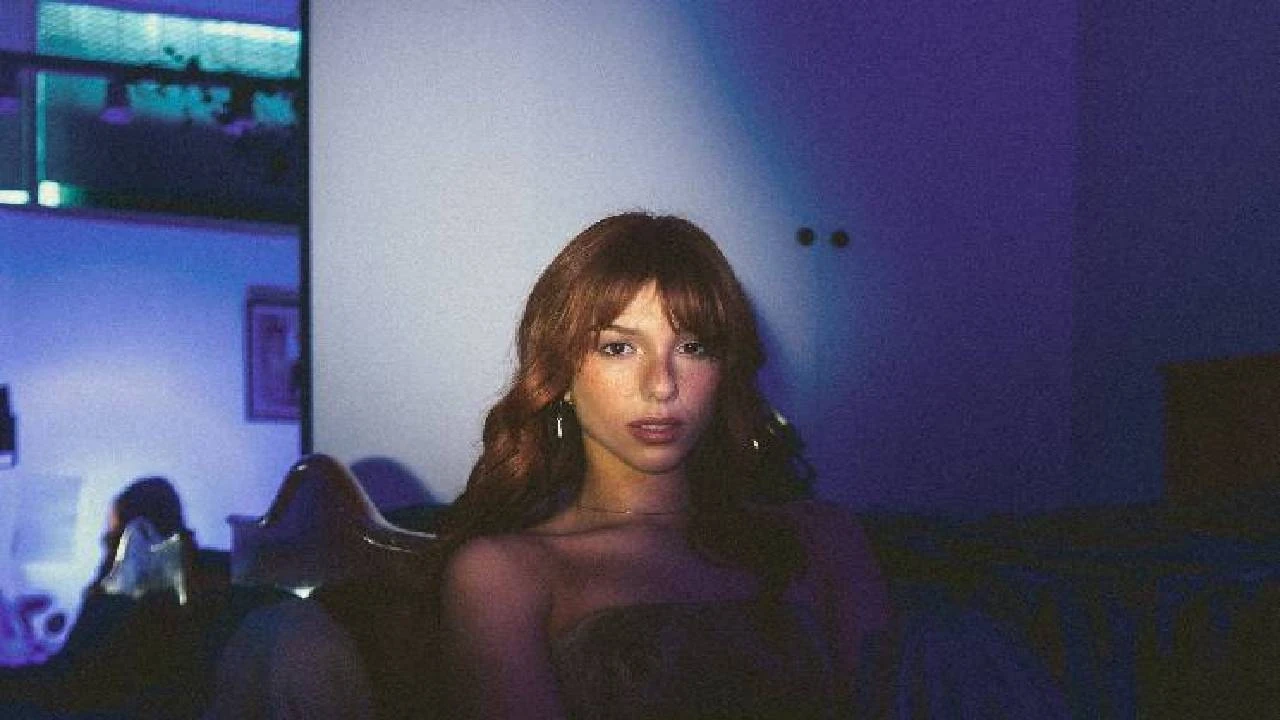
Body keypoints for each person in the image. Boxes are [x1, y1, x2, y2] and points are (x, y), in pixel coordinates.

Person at [437, 212, 893, 719]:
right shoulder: (503, 575)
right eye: (618, 347)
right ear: (561, 375)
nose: (661, 385)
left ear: (724, 369)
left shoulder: (824, 540)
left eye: (693, 347)